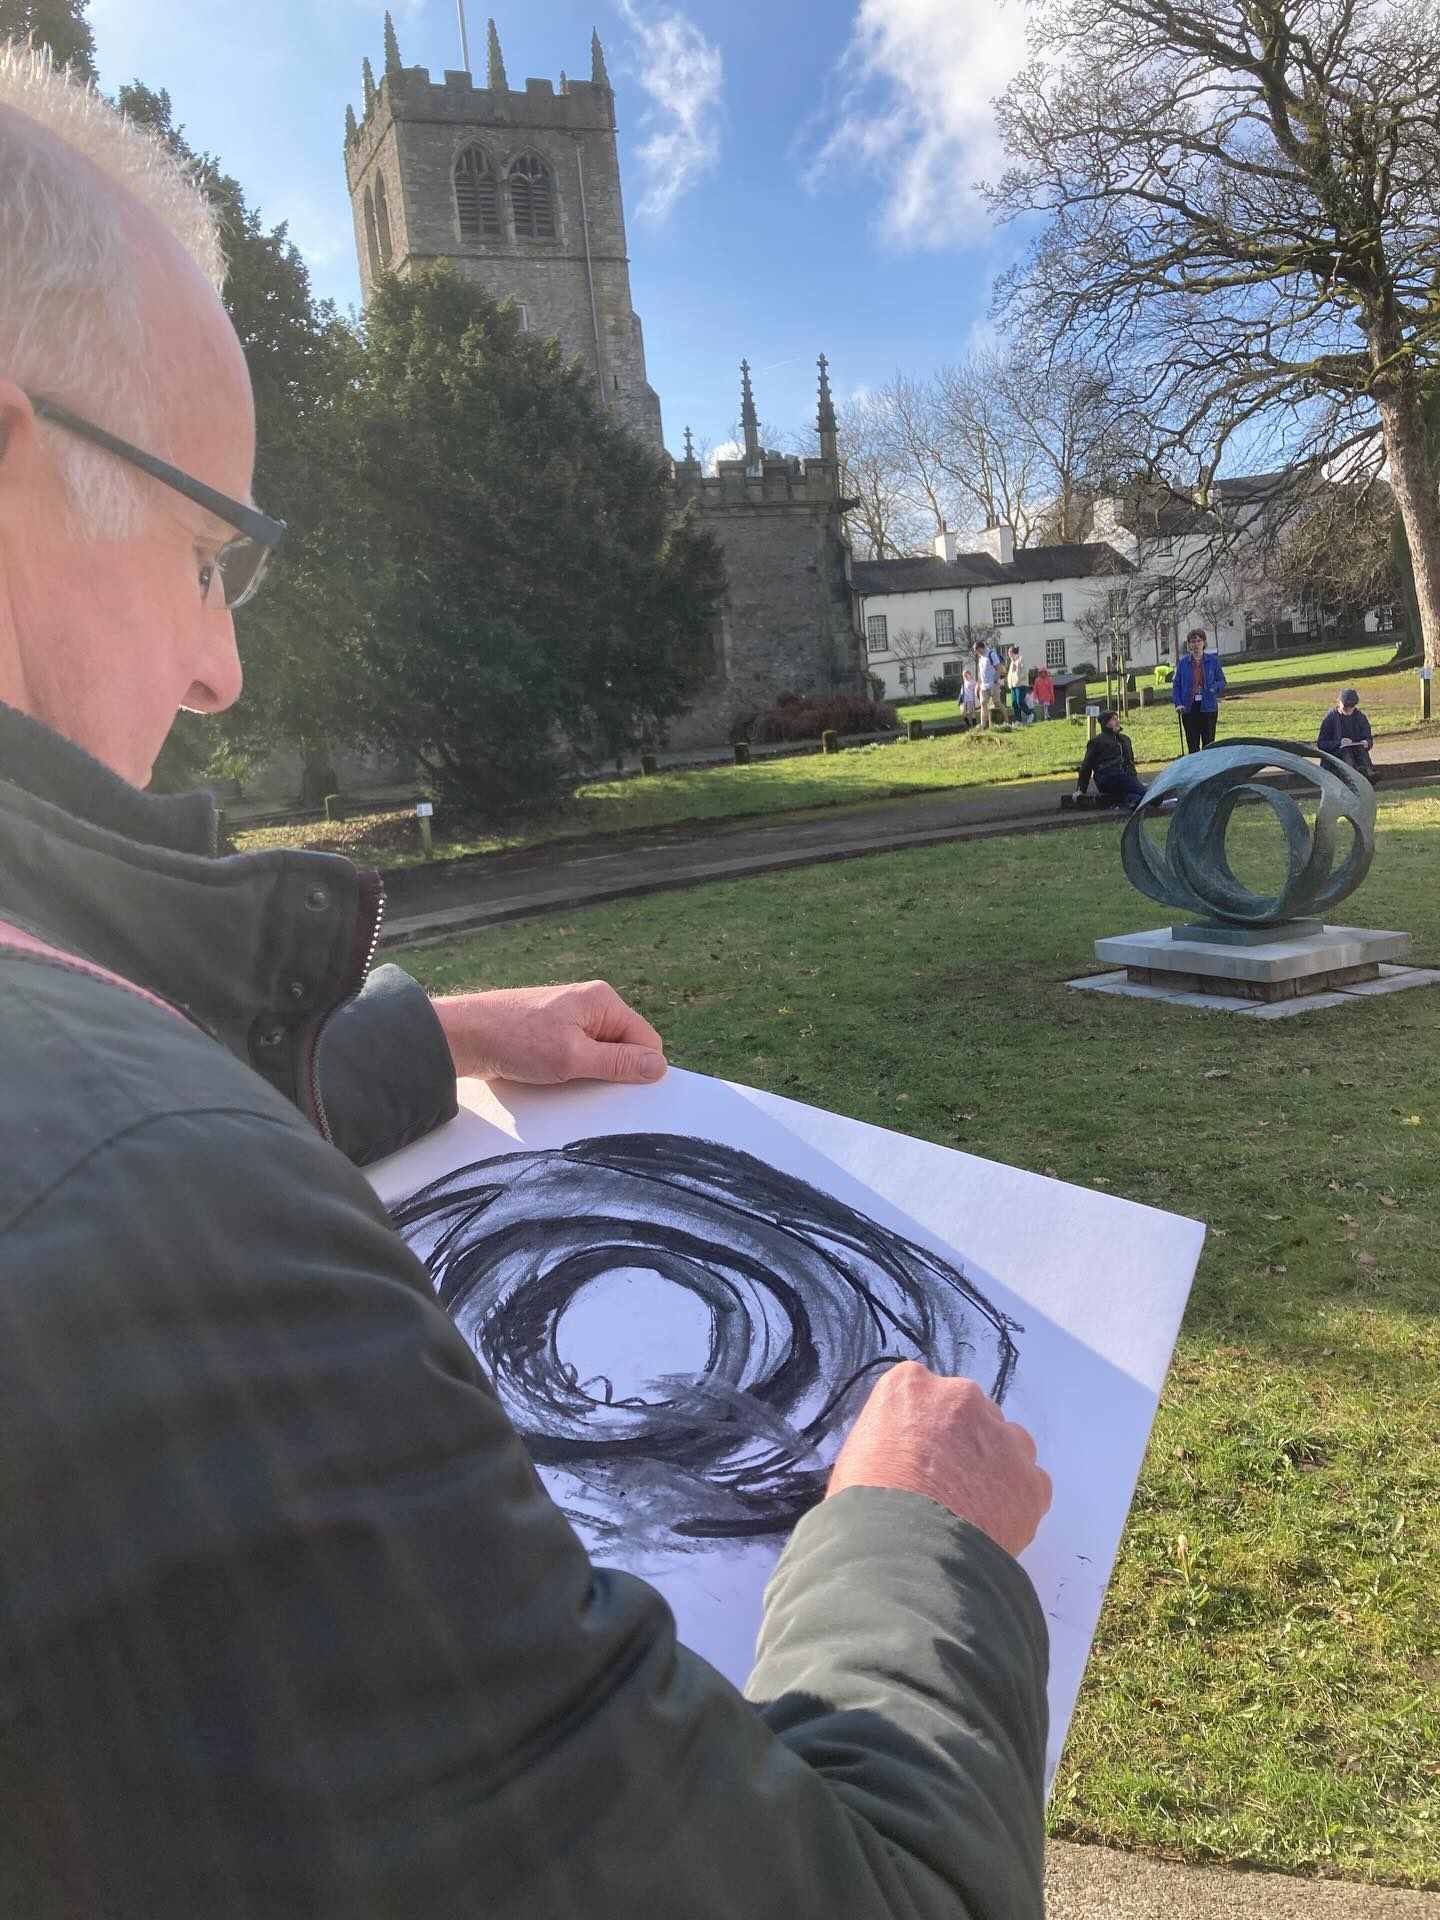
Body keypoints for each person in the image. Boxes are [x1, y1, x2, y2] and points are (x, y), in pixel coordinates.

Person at [0, 51, 1052, 1920]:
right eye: (202, 549)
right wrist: (916, 1543)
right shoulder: (172, 1225)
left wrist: (421, 1036)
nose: (221, 669)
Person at [1074, 709, 1147, 809]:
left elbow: (1130, 762)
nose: (1117, 721)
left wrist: (1134, 780)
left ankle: (1134, 802)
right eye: (1113, 719)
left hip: (1126, 779)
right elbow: (1086, 766)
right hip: (1106, 779)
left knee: (1126, 785)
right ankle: (1150, 795)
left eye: (1117, 719)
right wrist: (1081, 789)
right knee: (1125, 779)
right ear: (1105, 723)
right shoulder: (1096, 742)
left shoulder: (1125, 739)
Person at [1171, 626, 1226, 752]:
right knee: (1193, 746)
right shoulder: (1183, 663)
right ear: (1189, 644)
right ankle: (1194, 771)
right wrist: (1178, 704)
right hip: (1189, 708)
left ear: (1204, 643)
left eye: (1198, 641)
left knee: (1209, 745)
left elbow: (1222, 681)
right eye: (1192, 642)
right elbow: (1176, 685)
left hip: (1208, 707)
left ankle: (1208, 771)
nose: (1195, 644)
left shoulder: (1213, 661)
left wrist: (1213, 688)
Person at [1318, 687, 1377, 780]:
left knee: (1361, 750)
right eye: (1345, 706)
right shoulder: (1330, 718)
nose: (1348, 709)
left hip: (1357, 752)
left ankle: (1369, 772)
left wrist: (1366, 742)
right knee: (1346, 751)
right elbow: (1321, 744)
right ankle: (1353, 773)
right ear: (1338, 702)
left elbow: (1368, 738)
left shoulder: (1360, 717)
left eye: (1352, 706)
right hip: (1337, 755)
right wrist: (1339, 743)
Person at [975, 639, 999, 729]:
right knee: (983, 703)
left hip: (992, 683)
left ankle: (1005, 720)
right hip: (984, 685)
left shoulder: (991, 654)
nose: (977, 653)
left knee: (997, 703)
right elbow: (980, 673)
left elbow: (998, 667)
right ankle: (983, 725)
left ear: (981, 648)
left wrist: (996, 679)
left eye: (977, 651)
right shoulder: (981, 658)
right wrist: (978, 684)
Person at [1006, 645, 1026, 723]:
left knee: (1019, 702)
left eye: (1009, 653)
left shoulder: (1021, 659)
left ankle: (1030, 714)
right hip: (1013, 685)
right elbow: (1011, 674)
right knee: (1014, 704)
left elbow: (1025, 671)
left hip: (1020, 684)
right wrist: (1009, 683)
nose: (1009, 655)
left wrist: (1018, 680)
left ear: (1012, 653)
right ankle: (1018, 720)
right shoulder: (1012, 662)